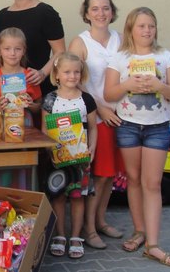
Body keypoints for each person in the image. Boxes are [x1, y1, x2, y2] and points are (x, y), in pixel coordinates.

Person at [104, 7, 170, 267]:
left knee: (153, 184)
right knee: (134, 180)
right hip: (128, 126)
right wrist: (127, 85)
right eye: (142, 26)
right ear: (130, 29)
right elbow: (109, 94)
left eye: (151, 25)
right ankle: (139, 231)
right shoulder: (119, 57)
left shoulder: (165, 56)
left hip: (157, 127)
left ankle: (153, 244)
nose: (147, 30)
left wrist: (160, 86)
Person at [68, 0, 123, 250]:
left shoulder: (120, 39)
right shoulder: (80, 43)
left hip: (120, 116)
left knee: (109, 175)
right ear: (86, 13)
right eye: (95, 9)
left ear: (112, 11)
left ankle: (100, 220)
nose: (101, 13)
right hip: (95, 118)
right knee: (96, 176)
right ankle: (88, 230)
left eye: (105, 8)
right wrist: (100, 109)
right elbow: (75, 81)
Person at [42, 52, 97, 259]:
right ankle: (60, 235)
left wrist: (92, 148)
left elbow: (93, 128)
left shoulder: (87, 100)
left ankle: (75, 236)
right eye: (67, 72)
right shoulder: (50, 99)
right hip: (57, 159)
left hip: (80, 159)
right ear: (56, 74)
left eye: (76, 72)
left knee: (77, 197)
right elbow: (44, 129)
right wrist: (49, 150)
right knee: (57, 196)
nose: (72, 76)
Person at [0, 27, 42, 189]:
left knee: (23, 167)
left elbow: (39, 107)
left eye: (17, 49)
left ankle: (24, 203)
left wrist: (31, 104)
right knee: (1, 168)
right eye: (7, 49)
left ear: (24, 51)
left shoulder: (29, 76)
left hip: (25, 128)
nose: (12, 53)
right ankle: (0, 205)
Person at [0, 0, 65, 97]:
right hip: (8, 92)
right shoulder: (2, 16)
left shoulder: (46, 13)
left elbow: (60, 52)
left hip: (39, 88)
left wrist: (43, 73)